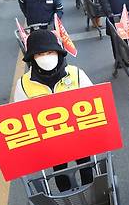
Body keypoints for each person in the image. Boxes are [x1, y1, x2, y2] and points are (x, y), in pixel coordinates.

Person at [14, 30, 93, 192]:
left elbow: (95, 103)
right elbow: (20, 119)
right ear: (32, 57)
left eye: (49, 52)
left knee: (86, 166)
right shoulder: (23, 85)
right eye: (40, 54)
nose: (46, 57)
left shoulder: (76, 73)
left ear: (58, 52)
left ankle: (92, 194)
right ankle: (68, 201)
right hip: (51, 144)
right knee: (60, 172)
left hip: (80, 137)